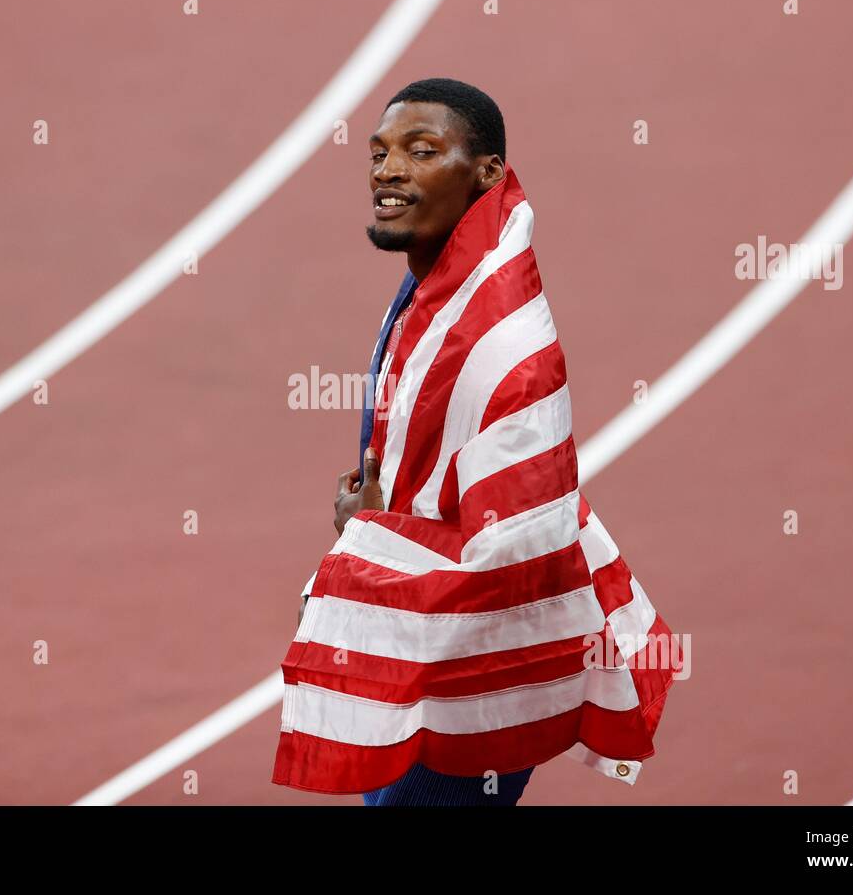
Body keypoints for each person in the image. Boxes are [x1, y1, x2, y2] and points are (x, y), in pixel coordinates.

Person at [275, 79, 673, 806]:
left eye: (421, 152)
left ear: (487, 173)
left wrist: (365, 553)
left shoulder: (505, 349)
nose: (387, 170)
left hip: (471, 676)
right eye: (380, 152)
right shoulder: (432, 298)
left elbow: (518, 555)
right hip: (421, 648)